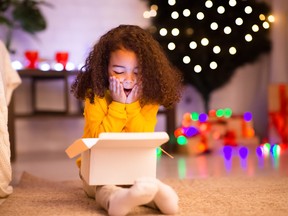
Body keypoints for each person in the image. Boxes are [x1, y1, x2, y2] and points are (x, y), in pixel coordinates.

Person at [71, 24, 183, 216]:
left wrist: (130, 106)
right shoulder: (95, 96)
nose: (129, 80)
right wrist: (117, 104)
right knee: (104, 188)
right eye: (119, 71)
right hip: (97, 171)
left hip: (133, 167)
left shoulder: (149, 99)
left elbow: (142, 136)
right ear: (104, 69)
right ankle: (116, 200)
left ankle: (159, 194)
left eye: (137, 72)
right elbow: (98, 138)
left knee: (143, 182)